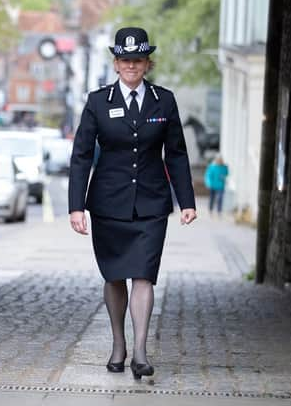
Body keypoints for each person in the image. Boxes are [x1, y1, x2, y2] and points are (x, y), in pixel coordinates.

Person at [68, 27, 197, 380]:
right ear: (115, 63)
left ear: (147, 63)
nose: (131, 66)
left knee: (144, 274)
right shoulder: (97, 101)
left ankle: (140, 351)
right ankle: (118, 344)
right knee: (114, 275)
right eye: (125, 60)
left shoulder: (164, 100)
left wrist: (186, 200)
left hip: (153, 204)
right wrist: (75, 207)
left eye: (137, 60)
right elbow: (81, 156)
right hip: (108, 204)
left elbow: (177, 154)